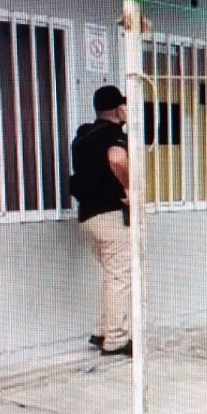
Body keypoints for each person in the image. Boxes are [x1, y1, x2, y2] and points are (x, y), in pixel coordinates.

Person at [70, 85, 132, 357]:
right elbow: (117, 159)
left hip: (88, 216)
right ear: (119, 109)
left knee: (112, 274)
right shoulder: (114, 135)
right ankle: (116, 339)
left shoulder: (83, 136)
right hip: (110, 215)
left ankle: (104, 330)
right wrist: (131, 190)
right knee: (121, 275)